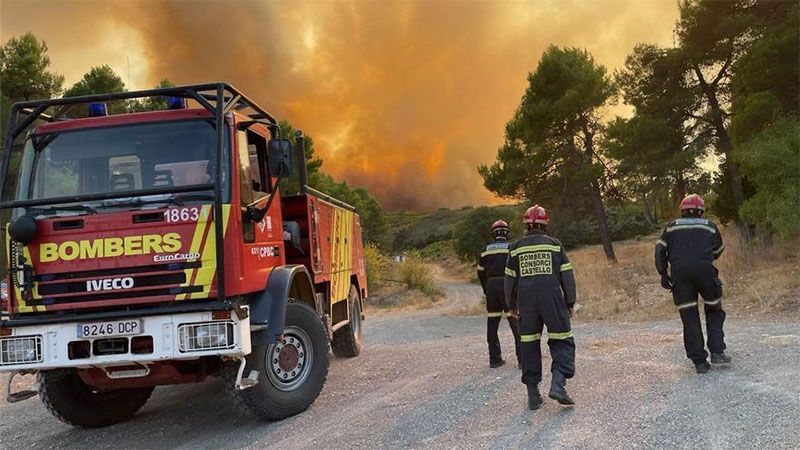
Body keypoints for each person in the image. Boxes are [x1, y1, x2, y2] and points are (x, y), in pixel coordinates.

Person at [505, 205, 576, 410]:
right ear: (545, 224)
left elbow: (509, 280)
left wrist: (511, 305)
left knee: (528, 344)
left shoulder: (516, 247)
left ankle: (533, 395)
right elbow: (567, 276)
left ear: (526, 225)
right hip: (552, 299)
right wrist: (569, 302)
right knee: (562, 339)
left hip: (527, 303)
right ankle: (558, 384)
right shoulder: (555, 245)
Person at [655, 194, 730, 374]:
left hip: (680, 275)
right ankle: (718, 352)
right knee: (714, 309)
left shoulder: (671, 227)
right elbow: (718, 250)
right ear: (701, 211)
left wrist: (664, 273)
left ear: (682, 210)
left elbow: (659, 250)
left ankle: (700, 363)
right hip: (705, 271)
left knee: (689, 316)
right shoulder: (710, 227)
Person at [477, 220, 521, 368]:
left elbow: (480, 272)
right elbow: (517, 271)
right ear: (506, 233)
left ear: (493, 234)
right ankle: (522, 360)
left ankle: (495, 360)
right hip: (507, 287)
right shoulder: (511, 248)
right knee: (515, 322)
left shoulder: (485, 250)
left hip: (491, 287)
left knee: (493, 323)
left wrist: (486, 288)